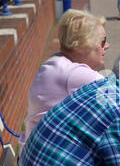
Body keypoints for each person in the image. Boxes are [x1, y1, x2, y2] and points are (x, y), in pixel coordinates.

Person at [18, 9, 109, 154]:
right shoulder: (72, 74)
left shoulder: (54, 63)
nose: (107, 46)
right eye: (102, 41)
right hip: (47, 165)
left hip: (34, 156)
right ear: (84, 44)